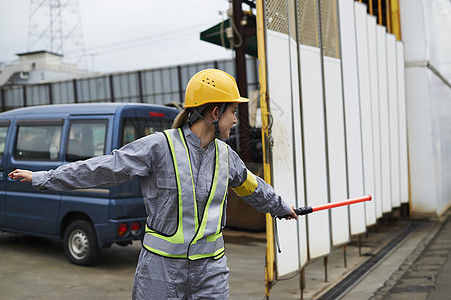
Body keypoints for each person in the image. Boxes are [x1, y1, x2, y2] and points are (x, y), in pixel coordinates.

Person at [9, 68, 297, 299]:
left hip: (211, 273)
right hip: (161, 272)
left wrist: (282, 207)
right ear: (214, 112)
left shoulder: (226, 156)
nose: (235, 120)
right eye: (233, 111)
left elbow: (252, 187)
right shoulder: (159, 148)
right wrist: (43, 178)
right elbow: (103, 169)